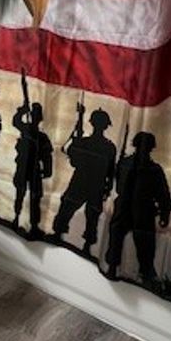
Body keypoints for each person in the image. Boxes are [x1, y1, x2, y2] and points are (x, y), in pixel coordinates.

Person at [105, 131, 171, 285]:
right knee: (118, 237)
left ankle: (145, 272)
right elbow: (163, 196)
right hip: (129, 208)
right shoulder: (131, 165)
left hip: (140, 210)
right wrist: (164, 213)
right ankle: (114, 267)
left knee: (144, 245)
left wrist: (164, 214)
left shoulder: (151, 169)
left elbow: (163, 196)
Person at [52, 108, 116, 256]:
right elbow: (111, 172)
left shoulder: (88, 143)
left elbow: (74, 160)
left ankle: (61, 235)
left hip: (85, 182)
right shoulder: (108, 147)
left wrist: (76, 143)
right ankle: (84, 244)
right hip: (92, 183)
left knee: (76, 210)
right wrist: (76, 141)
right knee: (80, 211)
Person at [12, 101, 54, 235]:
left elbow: (47, 155)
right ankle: (16, 218)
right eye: (34, 114)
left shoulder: (42, 136)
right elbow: (16, 121)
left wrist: (47, 170)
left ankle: (34, 225)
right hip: (23, 165)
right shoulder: (26, 129)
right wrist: (22, 110)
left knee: (35, 197)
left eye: (37, 114)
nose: (36, 117)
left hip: (35, 169)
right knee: (20, 193)